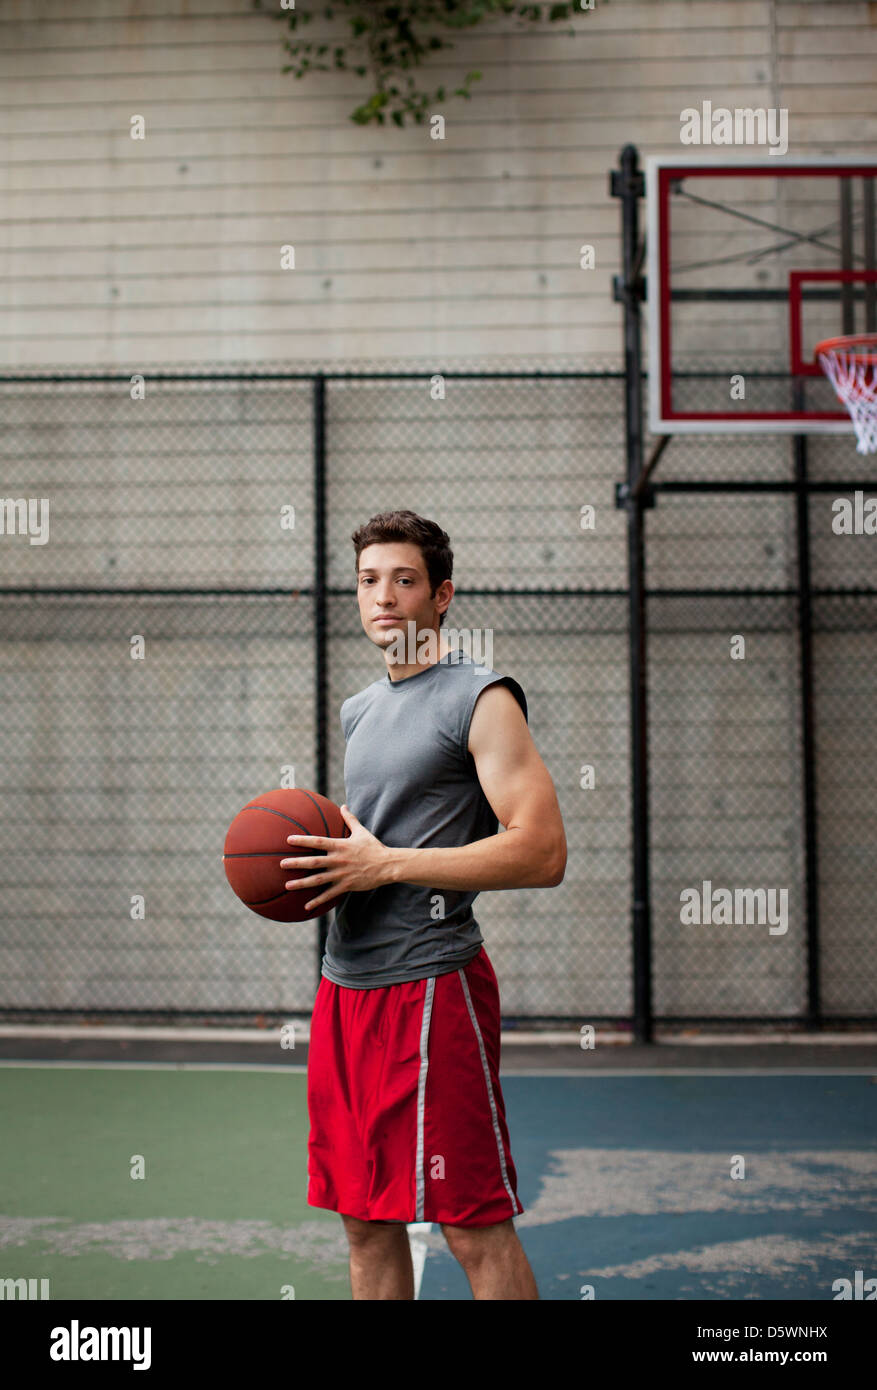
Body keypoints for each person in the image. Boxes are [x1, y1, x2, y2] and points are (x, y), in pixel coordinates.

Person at [280, 510, 566, 1300]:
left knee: (471, 1223)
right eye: (369, 580)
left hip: (432, 988)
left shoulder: (480, 697)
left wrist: (386, 865)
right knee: (363, 1220)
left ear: (440, 595)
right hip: (346, 991)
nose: (383, 597)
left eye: (403, 580)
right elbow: (369, 844)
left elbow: (542, 850)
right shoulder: (361, 709)